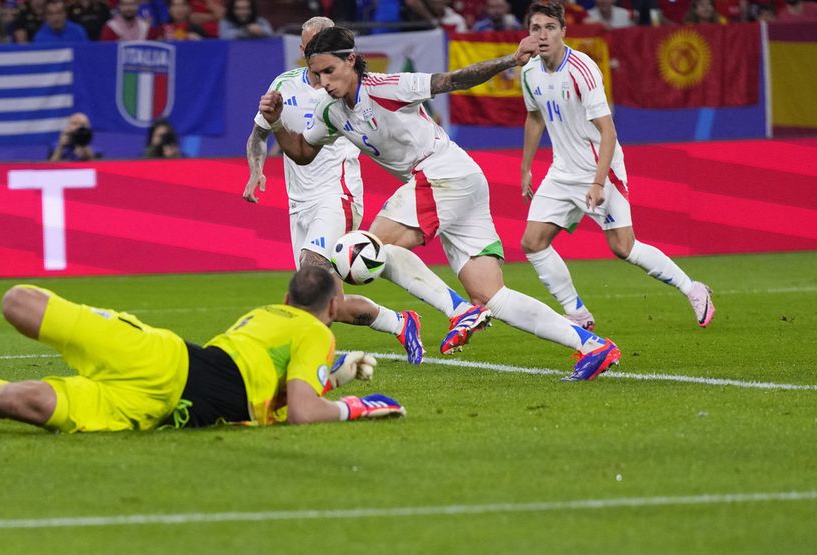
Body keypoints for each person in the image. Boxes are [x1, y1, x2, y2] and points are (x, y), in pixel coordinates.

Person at [260, 26, 622, 380]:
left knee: (363, 249)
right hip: (459, 181)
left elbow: (453, 80)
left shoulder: (387, 87)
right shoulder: (330, 110)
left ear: (351, 60)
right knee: (493, 296)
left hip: (442, 172)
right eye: (317, 73)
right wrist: (276, 123)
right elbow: (303, 153)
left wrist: (509, 60)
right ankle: (593, 346)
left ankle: (458, 311)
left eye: (330, 71)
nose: (323, 81)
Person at [0, 268, 406, 431]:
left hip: (161, 403)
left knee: (22, 399)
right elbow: (301, 412)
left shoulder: (266, 315)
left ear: (287, 295)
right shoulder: (317, 331)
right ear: (334, 307)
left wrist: (331, 376)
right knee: (21, 335)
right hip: (168, 370)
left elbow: (268, 389)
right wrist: (355, 404)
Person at [518, 2, 714, 333]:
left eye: (550, 27)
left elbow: (608, 131)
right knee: (532, 242)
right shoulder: (529, 72)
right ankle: (577, 313)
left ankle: (693, 288)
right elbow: (534, 117)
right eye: (536, 28)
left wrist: (596, 183)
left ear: (564, 31)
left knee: (624, 247)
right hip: (561, 171)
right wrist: (525, 168)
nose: (543, 35)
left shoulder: (583, 69)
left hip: (599, 171)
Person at [244, 16, 424, 365]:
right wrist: (256, 171)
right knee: (332, 303)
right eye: (313, 46)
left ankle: (308, 364)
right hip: (298, 205)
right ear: (302, 50)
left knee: (308, 279)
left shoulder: (346, 87)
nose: (319, 52)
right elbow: (259, 133)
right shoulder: (283, 85)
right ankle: (401, 322)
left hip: (336, 196)